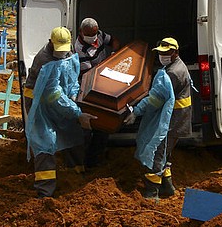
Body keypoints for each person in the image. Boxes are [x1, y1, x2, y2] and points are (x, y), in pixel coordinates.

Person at [24, 26, 95, 197]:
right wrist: (77, 113)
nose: (62, 53)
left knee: (73, 132)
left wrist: (73, 93)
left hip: (62, 101)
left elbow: (72, 77)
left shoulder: (67, 53)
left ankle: (76, 173)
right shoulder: (44, 61)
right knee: (45, 141)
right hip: (39, 103)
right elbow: (52, 95)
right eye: (59, 49)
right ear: (50, 43)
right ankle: (45, 191)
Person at [125, 37, 192, 199]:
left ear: (175, 53)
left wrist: (136, 111)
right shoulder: (177, 66)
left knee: (157, 153)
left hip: (172, 121)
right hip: (178, 119)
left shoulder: (173, 73)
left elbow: (155, 99)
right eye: (161, 53)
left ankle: (151, 193)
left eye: (166, 53)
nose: (162, 56)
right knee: (166, 154)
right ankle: (167, 188)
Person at [74, 17, 120, 168]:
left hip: (105, 76)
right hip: (90, 88)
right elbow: (89, 75)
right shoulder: (79, 48)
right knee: (93, 126)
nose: (94, 38)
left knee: (103, 126)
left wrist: (114, 53)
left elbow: (114, 40)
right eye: (90, 35)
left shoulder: (99, 34)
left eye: (95, 34)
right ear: (81, 32)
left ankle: (97, 156)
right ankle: (89, 162)